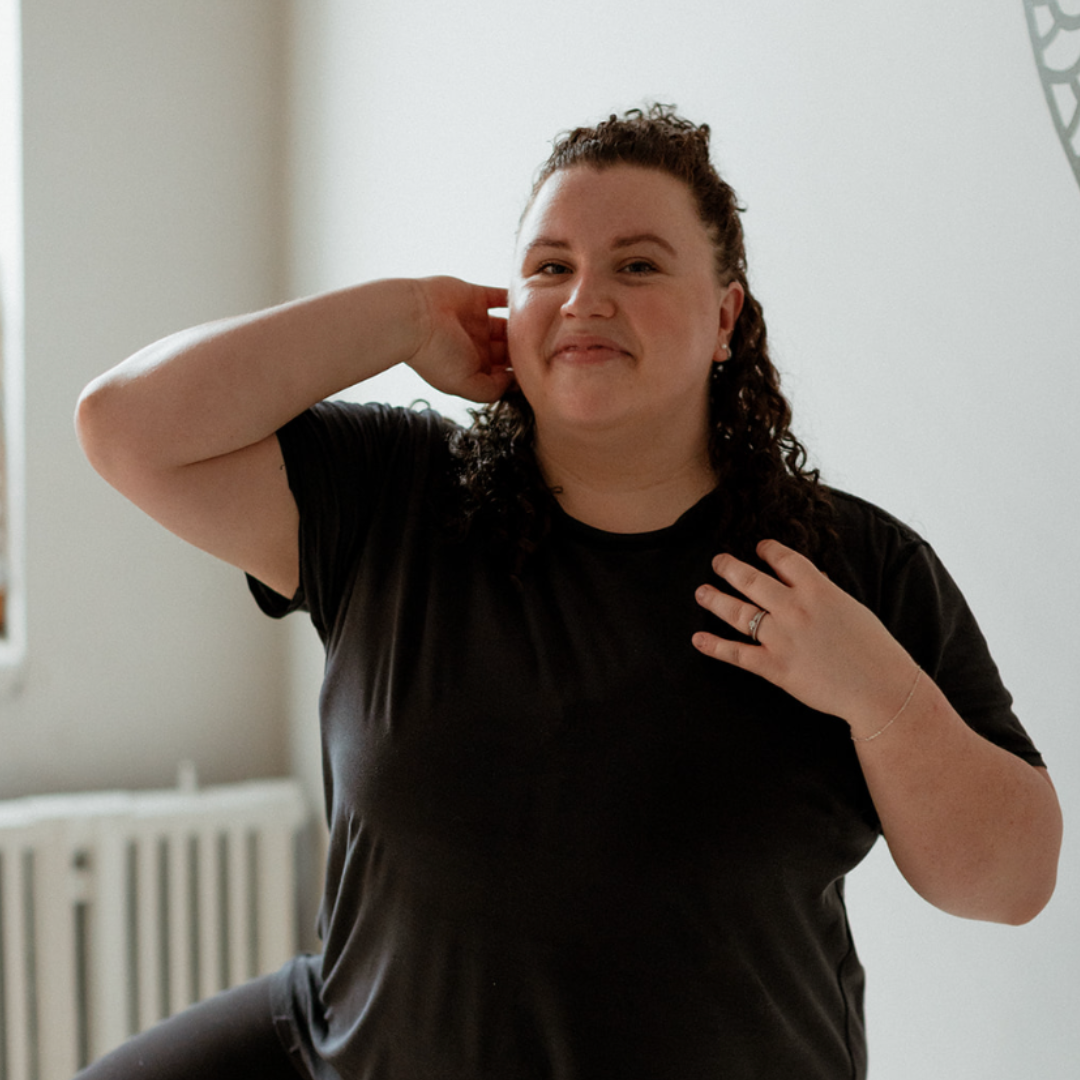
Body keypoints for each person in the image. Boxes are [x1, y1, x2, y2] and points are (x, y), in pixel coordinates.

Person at [74, 105, 1061, 1080]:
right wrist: (407, 314)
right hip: (349, 1047)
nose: (586, 296)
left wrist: (879, 695)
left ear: (725, 315)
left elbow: (1011, 883)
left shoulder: (846, 565)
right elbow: (126, 428)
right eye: (551, 267)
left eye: (637, 264)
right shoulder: (397, 499)